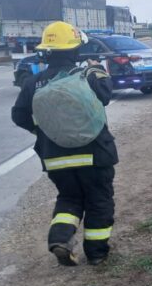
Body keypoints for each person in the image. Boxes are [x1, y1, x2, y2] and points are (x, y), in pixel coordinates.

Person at [12, 21, 117, 266]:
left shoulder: (33, 83)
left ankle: (60, 239)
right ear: (75, 50)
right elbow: (105, 95)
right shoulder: (85, 76)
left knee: (69, 198)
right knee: (98, 200)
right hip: (94, 154)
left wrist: (46, 131)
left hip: (55, 156)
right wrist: (97, 69)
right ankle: (97, 253)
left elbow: (19, 116)